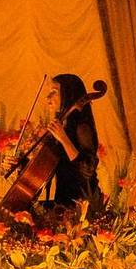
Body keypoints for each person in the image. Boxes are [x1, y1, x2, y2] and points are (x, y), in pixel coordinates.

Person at [39, 73, 101, 207]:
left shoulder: (82, 128)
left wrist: (63, 139)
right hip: (64, 199)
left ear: (68, 96)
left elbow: (87, 168)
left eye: (54, 92)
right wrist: (19, 163)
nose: (48, 97)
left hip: (82, 203)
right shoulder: (62, 128)